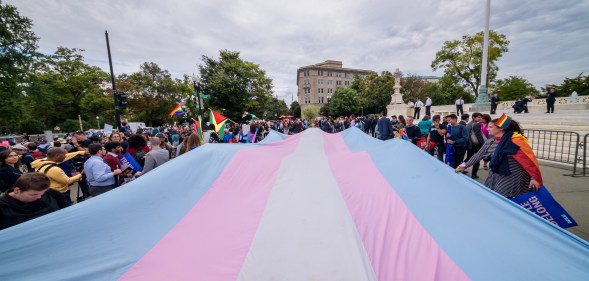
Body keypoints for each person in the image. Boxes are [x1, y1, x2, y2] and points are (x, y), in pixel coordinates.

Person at [459, 115, 543, 198]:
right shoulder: (490, 142)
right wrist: (464, 166)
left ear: (501, 128)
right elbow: (478, 155)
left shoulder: (517, 141)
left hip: (512, 178)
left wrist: (534, 178)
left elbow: (529, 161)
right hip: (495, 175)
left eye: (491, 127)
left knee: (508, 199)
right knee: (495, 198)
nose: (487, 129)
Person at [0, 173, 70, 230]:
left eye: (43, 193)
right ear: (17, 190)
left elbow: (67, 213)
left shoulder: (53, 194)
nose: (39, 197)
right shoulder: (2, 207)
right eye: (34, 194)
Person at [464, 113, 486, 179]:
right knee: (477, 160)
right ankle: (474, 174)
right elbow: (478, 135)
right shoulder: (477, 124)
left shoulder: (468, 124)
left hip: (470, 145)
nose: (480, 119)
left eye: (481, 117)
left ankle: (460, 167)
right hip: (476, 145)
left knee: (468, 159)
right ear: (473, 117)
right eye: (478, 117)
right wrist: (483, 144)